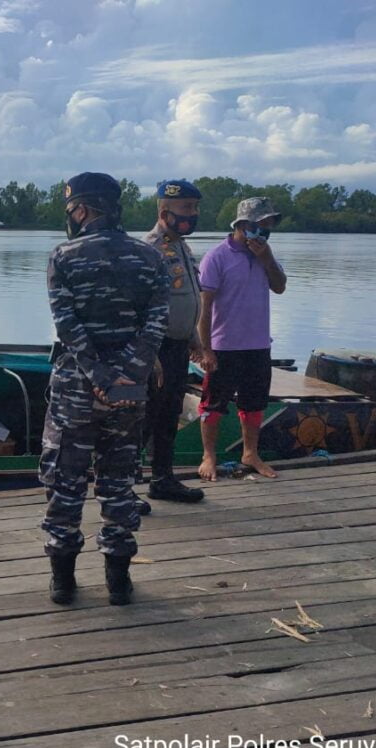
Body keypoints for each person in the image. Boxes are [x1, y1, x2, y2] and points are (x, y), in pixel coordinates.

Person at [41, 172, 170, 606]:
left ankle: (63, 581)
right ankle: (118, 581)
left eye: (71, 210)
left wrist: (98, 376)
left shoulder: (63, 256)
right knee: (118, 481)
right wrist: (128, 374)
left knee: (65, 480)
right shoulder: (150, 257)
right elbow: (156, 325)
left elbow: (67, 326)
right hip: (130, 391)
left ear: (81, 209)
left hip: (78, 388)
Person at [196, 197, 286, 481]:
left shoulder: (266, 254)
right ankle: (208, 455)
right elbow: (204, 307)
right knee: (213, 403)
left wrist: (266, 258)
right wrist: (205, 350)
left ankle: (250, 453)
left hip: (258, 344)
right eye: (262, 224)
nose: (266, 230)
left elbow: (280, 287)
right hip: (224, 346)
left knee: (254, 403)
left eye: (269, 225)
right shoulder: (217, 257)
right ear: (245, 225)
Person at [140, 179, 206, 504]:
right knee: (145, 418)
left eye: (195, 208)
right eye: (186, 209)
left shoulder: (183, 247)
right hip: (157, 348)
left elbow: (184, 297)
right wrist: (147, 351)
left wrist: (193, 335)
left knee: (169, 415)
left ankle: (163, 479)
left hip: (179, 345)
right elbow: (140, 304)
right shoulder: (150, 249)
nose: (192, 214)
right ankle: (122, 486)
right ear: (165, 210)